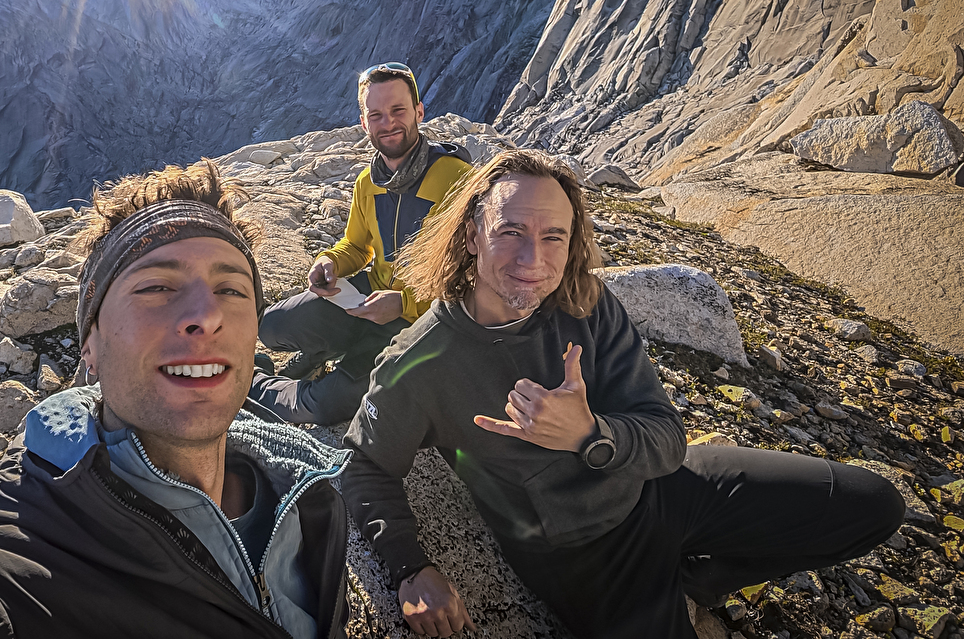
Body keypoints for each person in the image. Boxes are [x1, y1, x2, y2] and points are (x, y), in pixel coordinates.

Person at [340, 149, 906, 639]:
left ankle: (703, 577)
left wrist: (589, 435)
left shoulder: (585, 302)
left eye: (552, 237)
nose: (532, 260)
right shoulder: (419, 360)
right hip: (586, 560)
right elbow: (365, 468)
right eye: (510, 232)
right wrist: (409, 568)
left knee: (876, 506)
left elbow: (664, 436)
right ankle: (677, 580)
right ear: (472, 235)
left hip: (663, 490)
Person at [0, 161, 352, 639]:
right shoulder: (24, 548)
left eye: (232, 290)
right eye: (156, 287)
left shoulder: (305, 488)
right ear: (92, 348)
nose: (206, 315)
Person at [250, 61, 471, 425]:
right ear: (364, 122)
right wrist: (329, 263)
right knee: (271, 327)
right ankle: (327, 351)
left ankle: (256, 386)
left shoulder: (457, 179)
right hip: (369, 301)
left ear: (418, 111)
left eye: (398, 110)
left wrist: (404, 304)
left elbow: (476, 277)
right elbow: (357, 247)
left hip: (425, 322)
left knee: (325, 404)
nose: (388, 123)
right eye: (376, 114)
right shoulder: (369, 182)